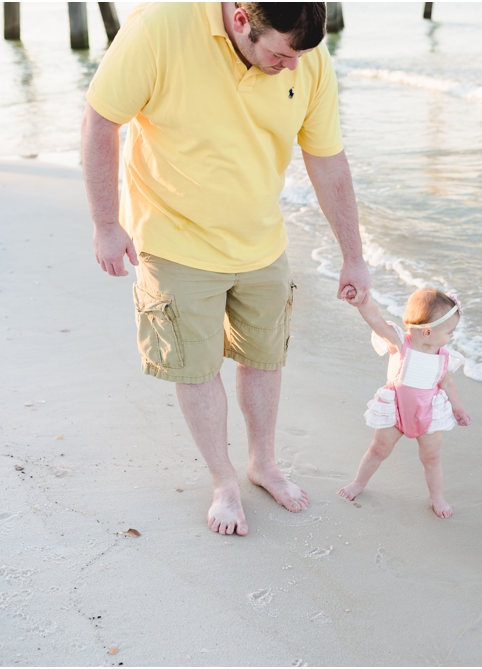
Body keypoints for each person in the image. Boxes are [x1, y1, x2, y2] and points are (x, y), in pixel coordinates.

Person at [80, 2, 371, 537]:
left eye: (301, 55)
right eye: (281, 54)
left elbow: (327, 158)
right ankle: (224, 482)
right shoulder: (159, 27)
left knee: (264, 357)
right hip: (174, 242)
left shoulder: (306, 56)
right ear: (241, 20)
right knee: (196, 367)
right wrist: (105, 222)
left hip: (262, 241)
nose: (293, 67)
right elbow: (102, 118)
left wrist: (353, 254)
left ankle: (263, 464)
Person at [338, 288, 472, 518]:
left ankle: (436, 496)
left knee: (431, 457)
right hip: (396, 410)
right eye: (450, 332)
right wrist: (362, 301)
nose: (451, 336)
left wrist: (458, 408)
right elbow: (375, 319)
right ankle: (358, 483)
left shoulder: (442, 356)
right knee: (378, 450)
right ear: (428, 332)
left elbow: (447, 384)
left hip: (428, 413)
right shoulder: (401, 343)